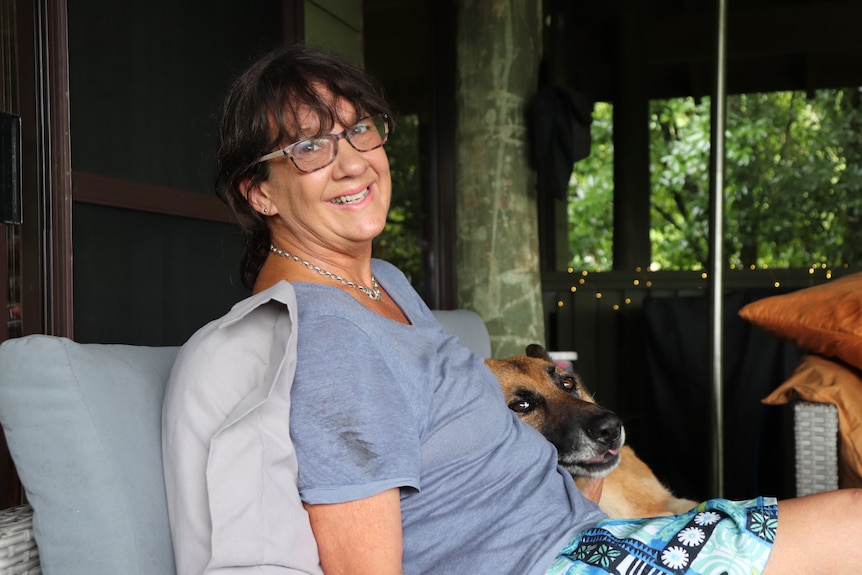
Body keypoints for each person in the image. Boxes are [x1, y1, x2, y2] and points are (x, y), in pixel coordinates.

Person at [162, 43, 862, 575]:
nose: (352, 161)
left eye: (360, 129)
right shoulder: (334, 338)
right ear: (260, 191)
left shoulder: (384, 284)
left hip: (587, 539)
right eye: (310, 146)